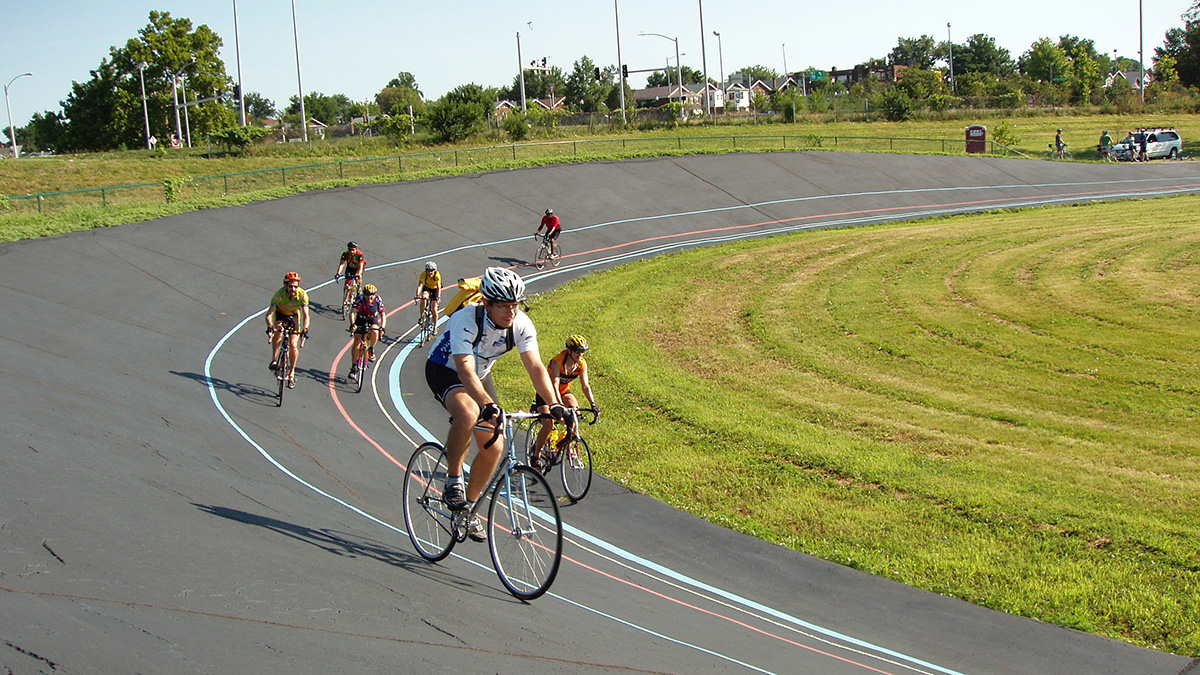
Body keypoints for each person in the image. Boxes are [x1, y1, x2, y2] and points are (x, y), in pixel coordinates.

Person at [425, 266, 562, 542]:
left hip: (481, 373)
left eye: (515, 304)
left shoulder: (521, 324)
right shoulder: (465, 319)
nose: (511, 312)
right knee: (469, 411)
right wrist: (487, 404)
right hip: (446, 369)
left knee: (495, 445)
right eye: (504, 306)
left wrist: (556, 405)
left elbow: (535, 367)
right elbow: (464, 370)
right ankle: (453, 482)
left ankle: (468, 511)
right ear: (486, 303)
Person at [529, 334, 600, 472]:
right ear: (569, 351)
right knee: (548, 425)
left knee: (575, 414)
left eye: (582, 351)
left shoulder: (581, 364)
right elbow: (554, 384)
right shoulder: (557, 361)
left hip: (564, 392)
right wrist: (558, 405)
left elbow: (585, 386)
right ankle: (536, 455)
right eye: (577, 351)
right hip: (546, 393)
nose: (580, 354)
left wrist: (593, 404)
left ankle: (566, 443)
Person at [266, 271, 311, 389]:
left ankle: (291, 373)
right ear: (285, 286)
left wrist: (305, 329)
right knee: (279, 333)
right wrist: (270, 326)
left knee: (293, 344)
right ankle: (274, 360)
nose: (293, 289)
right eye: (290, 286)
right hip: (280, 314)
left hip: (294, 315)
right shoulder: (278, 295)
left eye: (295, 286)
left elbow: (306, 315)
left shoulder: (302, 295)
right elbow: (269, 314)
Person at [348, 283, 386, 378]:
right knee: (357, 341)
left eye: (372, 295)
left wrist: (383, 327)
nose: (370, 297)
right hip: (360, 319)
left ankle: (371, 348)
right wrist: (352, 324)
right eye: (367, 295)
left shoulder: (378, 300)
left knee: (375, 331)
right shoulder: (360, 299)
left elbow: (383, 315)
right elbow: (352, 312)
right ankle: (353, 367)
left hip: (372, 319)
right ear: (364, 295)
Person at [414, 261, 442, 327]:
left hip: (435, 289)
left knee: (434, 309)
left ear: (434, 271)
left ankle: (435, 326)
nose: (429, 273)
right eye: (428, 271)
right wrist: (417, 295)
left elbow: (438, 287)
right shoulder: (424, 274)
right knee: (423, 298)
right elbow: (420, 285)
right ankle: (422, 317)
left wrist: (438, 297)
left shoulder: (437, 275)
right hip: (427, 288)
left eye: (431, 271)